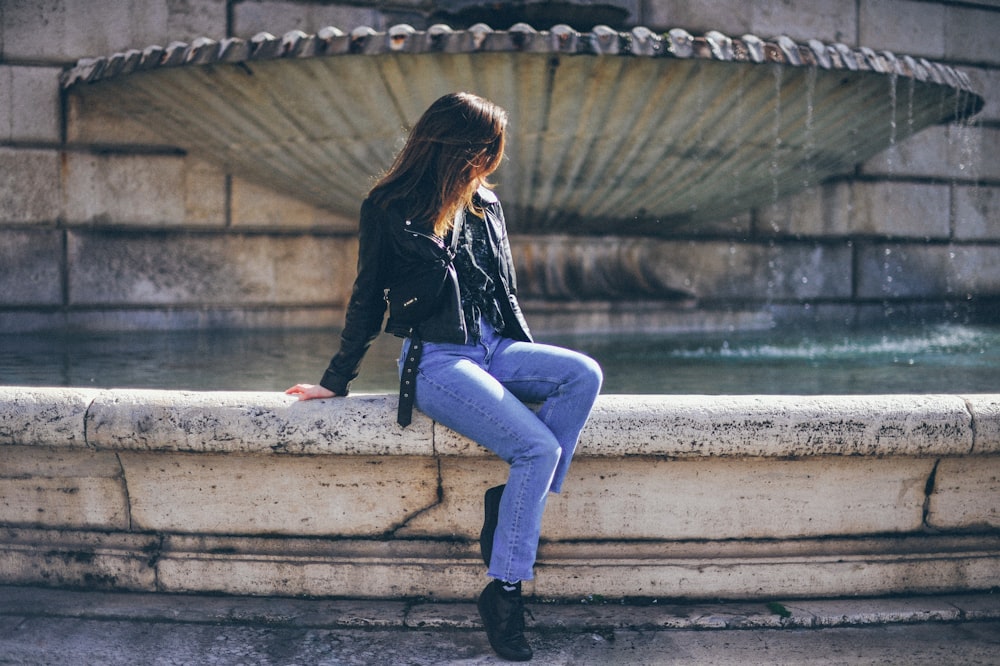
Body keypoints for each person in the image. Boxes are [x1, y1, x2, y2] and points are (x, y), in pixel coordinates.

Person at [286, 92, 602, 662]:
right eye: (486, 151)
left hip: (494, 347)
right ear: (457, 147)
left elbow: (504, 291)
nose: (491, 163)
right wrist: (337, 378)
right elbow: (366, 298)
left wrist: (523, 354)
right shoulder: (389, 205)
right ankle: (504, 591)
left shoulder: (485, 204)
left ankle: (512, 504)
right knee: (535, 448)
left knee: (582, 373)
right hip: (436, 358)